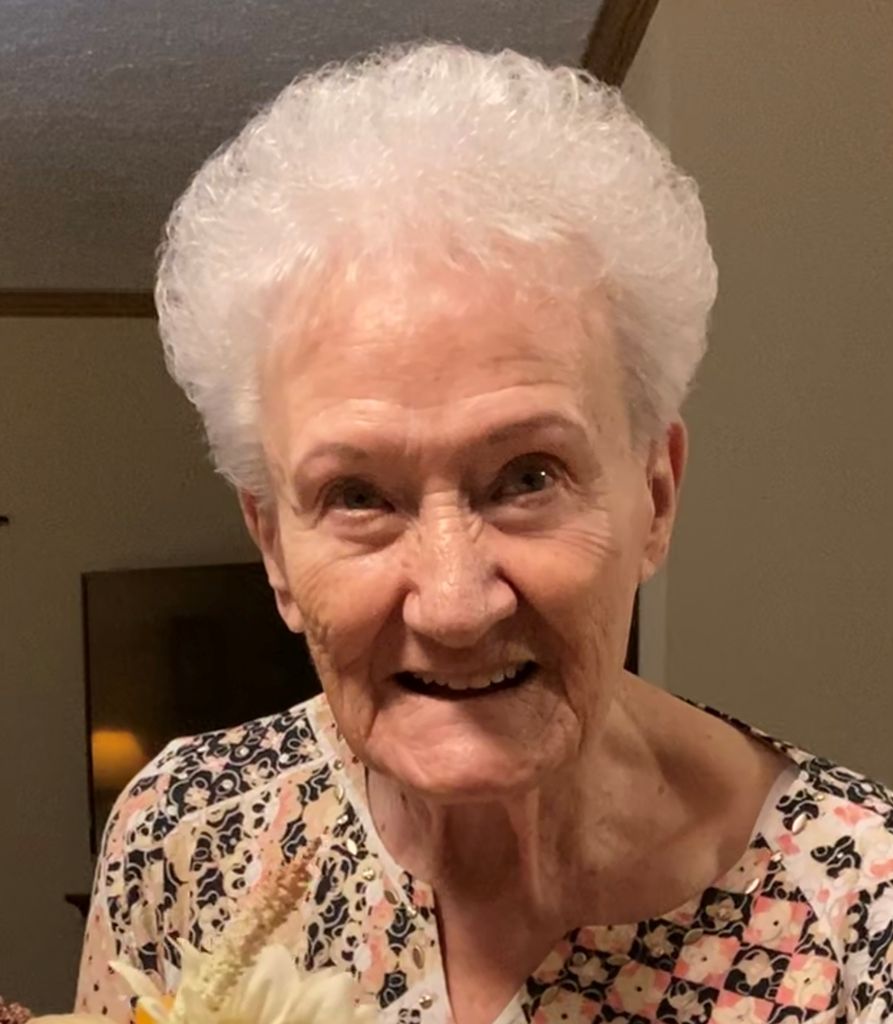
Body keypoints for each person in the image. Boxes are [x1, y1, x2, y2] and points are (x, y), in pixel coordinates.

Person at [76, 43, 893, 1024]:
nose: (455, 604)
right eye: (357, 496)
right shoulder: (188, 832)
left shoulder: (858, 916)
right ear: (275, 549)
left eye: (527, 477)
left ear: (655, 493)